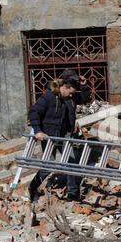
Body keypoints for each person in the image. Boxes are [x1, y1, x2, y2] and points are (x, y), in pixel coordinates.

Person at [27, 69, 91, 202]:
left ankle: (73, 194)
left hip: (64, 136)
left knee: (72, 163)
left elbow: (84, 98)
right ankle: (33, 187)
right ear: (64, 87)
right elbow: (34, 112)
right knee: (48, 164)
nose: (72, 94)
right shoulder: (49, 97)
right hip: (48, 137)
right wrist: (38, 131)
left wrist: (84, 86)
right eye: (71, 91)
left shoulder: (69, 98)